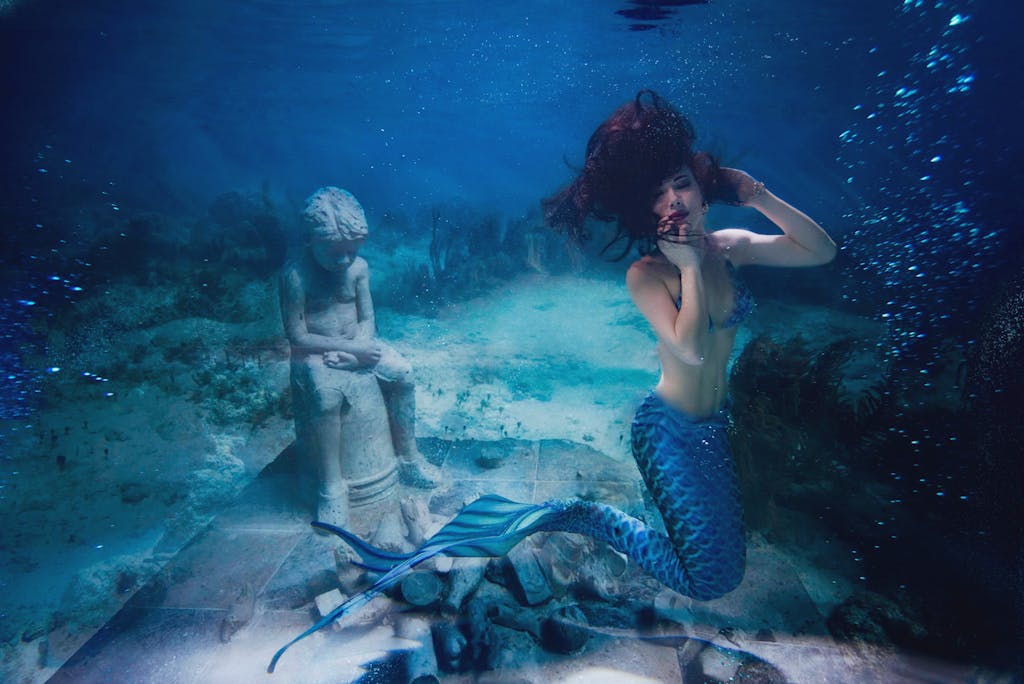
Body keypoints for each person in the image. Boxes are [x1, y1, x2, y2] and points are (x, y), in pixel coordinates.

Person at [268, 93, 836, 671]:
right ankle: (579, 515)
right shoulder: (649, 273)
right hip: (668, 432)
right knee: (709, 579)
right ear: (644, 211)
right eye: (657, 194)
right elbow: (689, 349)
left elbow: (820, 250)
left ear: (703, 186)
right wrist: (688, 267)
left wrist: (756, 194)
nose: (673, 201)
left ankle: (580, 518)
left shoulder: (730, 250)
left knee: (726, 571)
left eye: (682, 185)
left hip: (712, 427)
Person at [280, 187, 440, 529]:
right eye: (335, 253)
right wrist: (354, 352)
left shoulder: (358, 269)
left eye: (351, 251)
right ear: (311, 240)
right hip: (316, 354)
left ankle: (409, 458)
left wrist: (360, 352)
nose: (344, 260)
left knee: (403, 373)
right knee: (326, 399)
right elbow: (297, 336)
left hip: (359, 345)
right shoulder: (295, 275)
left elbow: (367, 319)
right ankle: (331, 488)